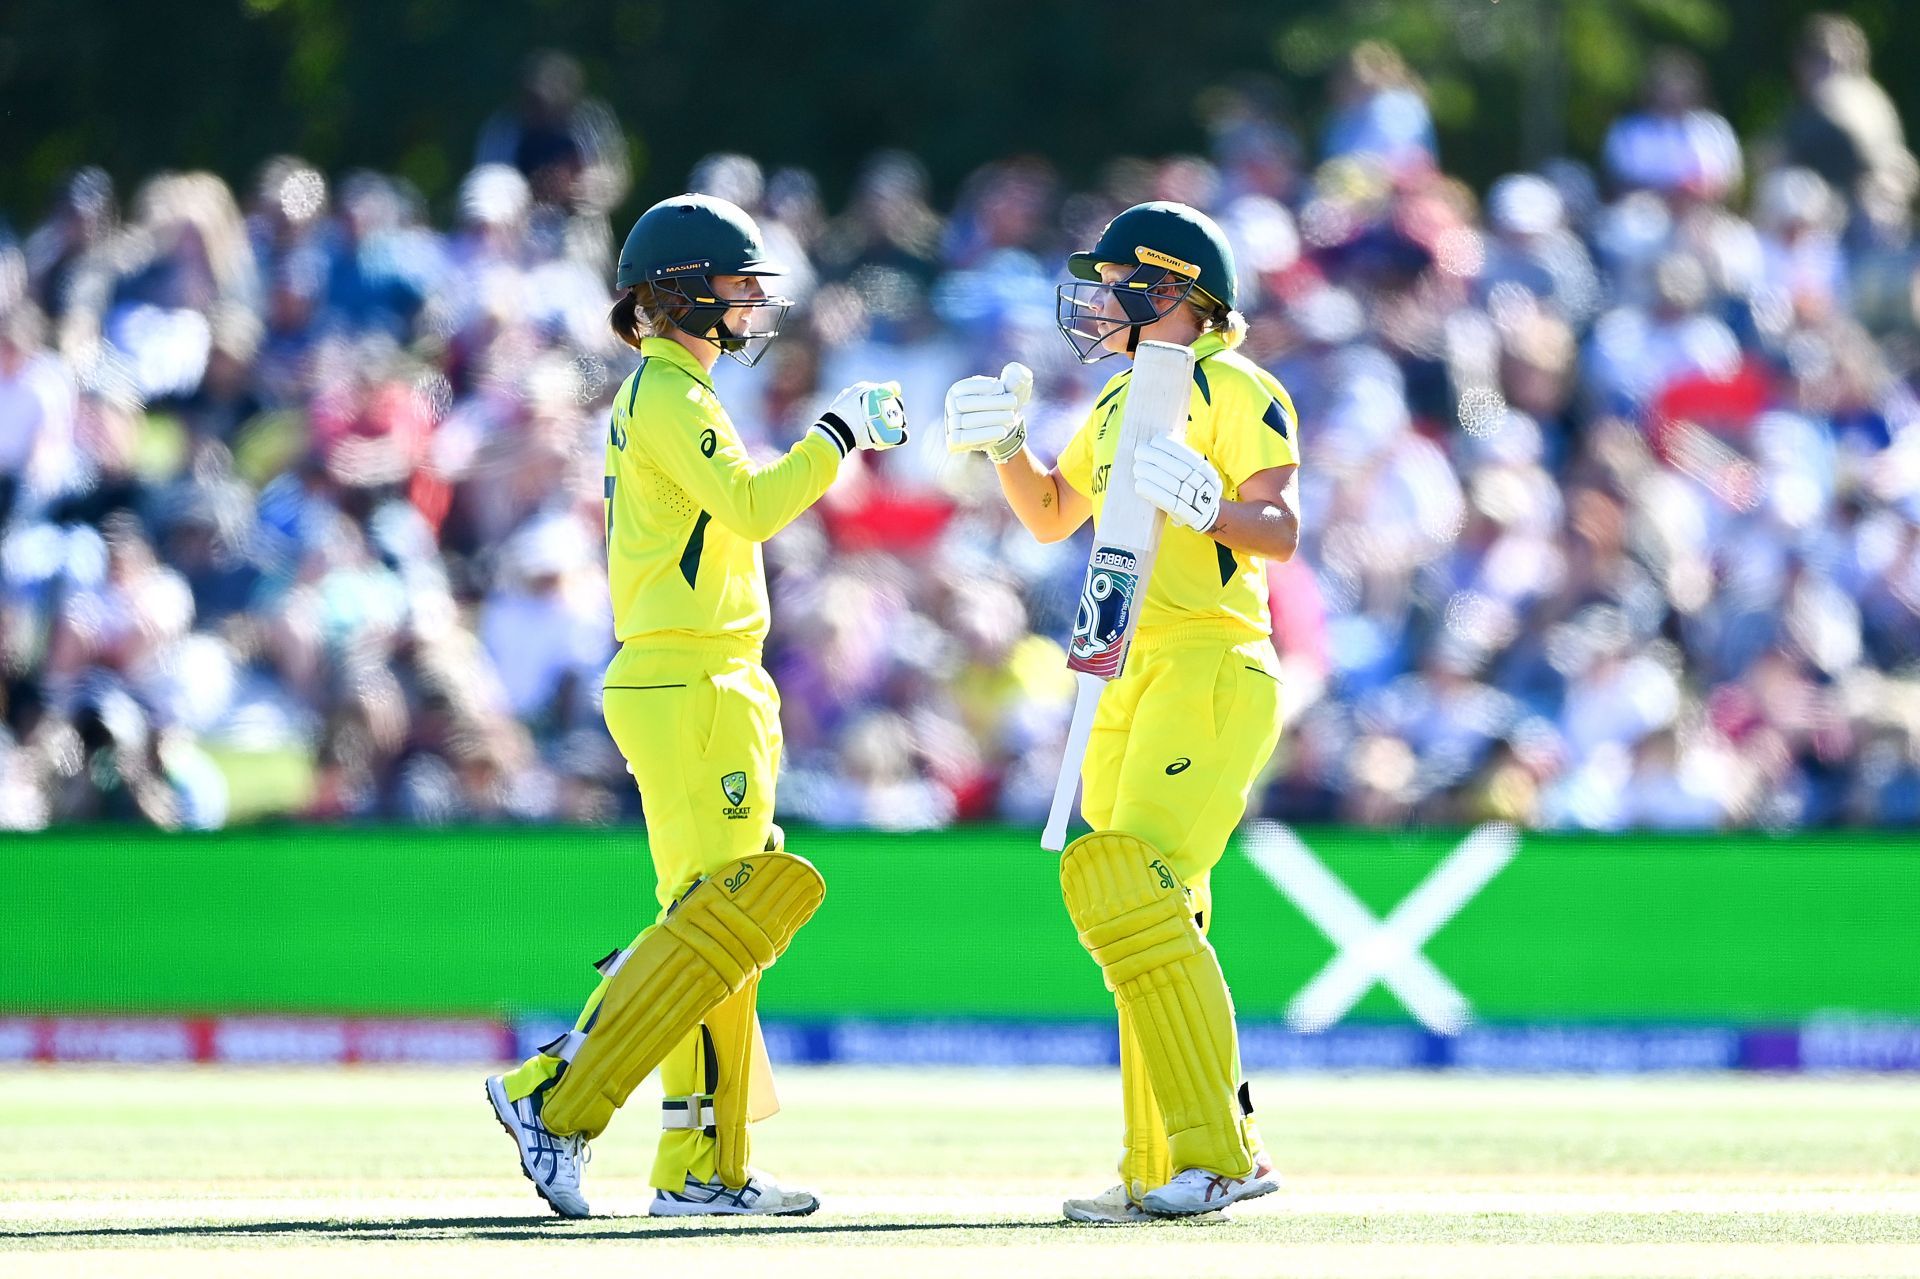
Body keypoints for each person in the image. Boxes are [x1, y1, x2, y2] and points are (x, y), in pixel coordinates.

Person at [485, 193, 908, 1219]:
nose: (750, 304)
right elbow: (756, 507)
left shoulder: (675, 391)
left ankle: (699, 1168)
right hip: (689, 679)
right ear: (678, 292)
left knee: (723, 930)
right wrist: (840, 431)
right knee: (717, 923)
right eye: (733, 284)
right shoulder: (670, 397)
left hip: (707, 676)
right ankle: (551, 1096)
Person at [945, 201, 1301, 1221]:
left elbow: (1279, 528)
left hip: (1213, 662)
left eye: (1115, 283)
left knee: (1135, 888)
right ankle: (1161, 1159)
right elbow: (1056, 513)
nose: (1097, 301)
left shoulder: (1236, 385)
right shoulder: (1111, 406)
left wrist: (1212, 508)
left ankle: (1223, 1150)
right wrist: (1008, 447)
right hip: (1127, 669)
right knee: (1137, 907)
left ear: (1170, 288)